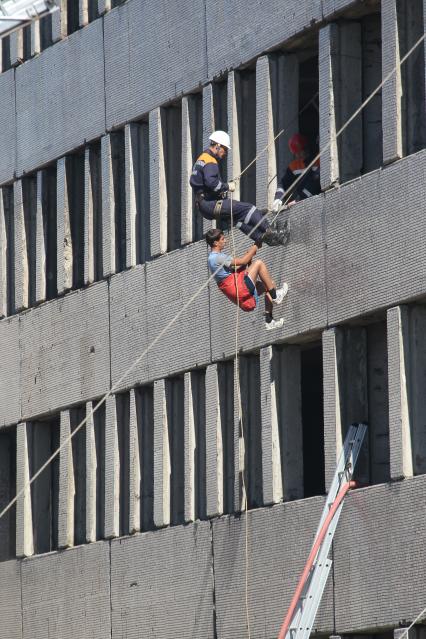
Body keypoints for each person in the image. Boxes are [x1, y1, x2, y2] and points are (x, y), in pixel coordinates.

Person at [191, 130, 289, 247]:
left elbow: (201, 183)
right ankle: (271, 232)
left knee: (238, 219)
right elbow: (212, 183)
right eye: (225, 149)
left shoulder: (201, 159)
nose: (225, 153)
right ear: (217, 146)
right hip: (210, 203)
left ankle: (262, 237)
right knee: (248, 209)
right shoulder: (210, 161)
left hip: (204, 205)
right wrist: (227, 186)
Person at [206, 228, 289, 330]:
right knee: (259, 263)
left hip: (238, 290)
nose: (225, 241)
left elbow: (238, 268)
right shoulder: (218, 257)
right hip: (239, 288)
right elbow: (243, 262)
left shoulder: (211, 258)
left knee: (269, 284)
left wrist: (250, 253)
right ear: (215, 242)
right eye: (222, 239)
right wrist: (255, 246)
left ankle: (269, 321)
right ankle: (276, 296)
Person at [271, 133, 321, 213]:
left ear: (306, 148)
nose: (298, 156)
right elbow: (283, 184)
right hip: (303, 204)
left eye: (300, 152)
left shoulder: (318, 159)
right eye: (296, 154)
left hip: (318, 202)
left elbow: (315, 181)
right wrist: (278, 198)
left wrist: (299, 200)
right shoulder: (294, 166)